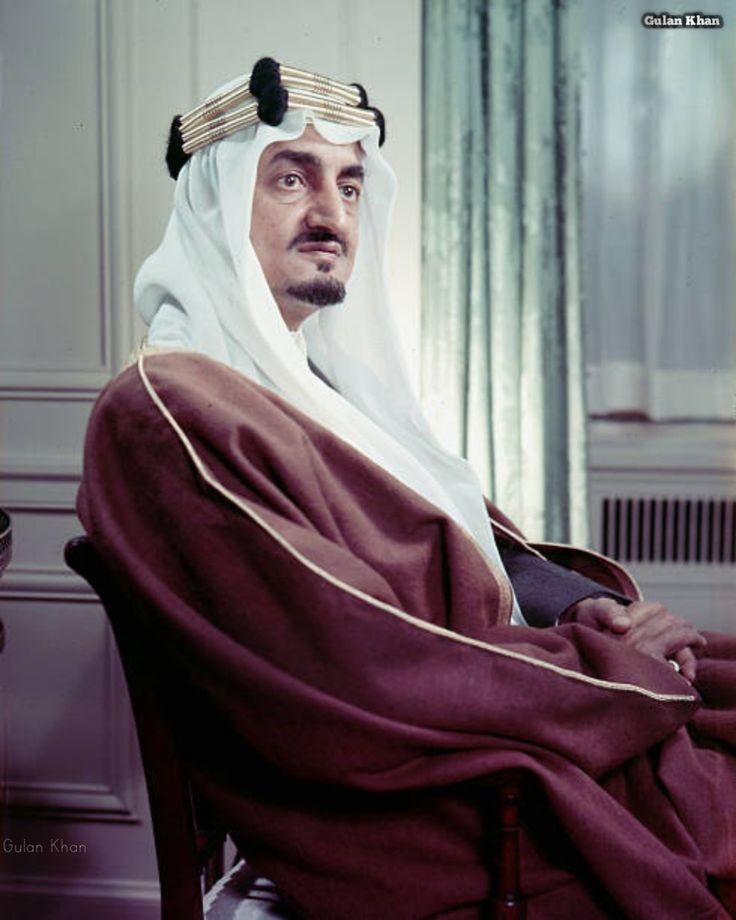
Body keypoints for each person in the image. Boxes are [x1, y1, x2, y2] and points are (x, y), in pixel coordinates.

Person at [77, 59, 736, 919]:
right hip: (441, 802)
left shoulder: (305, 381)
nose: (332, 216)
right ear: (213, 204)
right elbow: (359, 659)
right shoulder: (168, 411)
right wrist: (613, 671)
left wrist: (585, 611)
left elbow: (462, 541)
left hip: (497, 720)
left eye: (350, 186)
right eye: (290, 178)